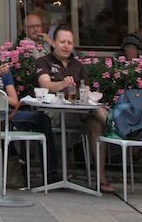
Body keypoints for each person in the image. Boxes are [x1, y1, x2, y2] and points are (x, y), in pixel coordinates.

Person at [0, 27, 57, 177]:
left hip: (6, 112)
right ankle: (17, 165)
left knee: (42, 119)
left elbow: (14, 101)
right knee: (3, 122)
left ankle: (51, 173)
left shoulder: (3, 69)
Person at [36, 23, 110, 190]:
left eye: (69, 42)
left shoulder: (78, 65)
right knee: (100, 116)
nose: (66, 46)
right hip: (54, 113)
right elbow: (45, 84)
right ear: (53, 43)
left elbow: (87, 92)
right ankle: (115, 127)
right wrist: (62, 83)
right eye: (62, 42)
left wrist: (85, 94)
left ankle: (101, 179)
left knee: (96, 124)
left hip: (78, 112)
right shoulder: (44, 61)